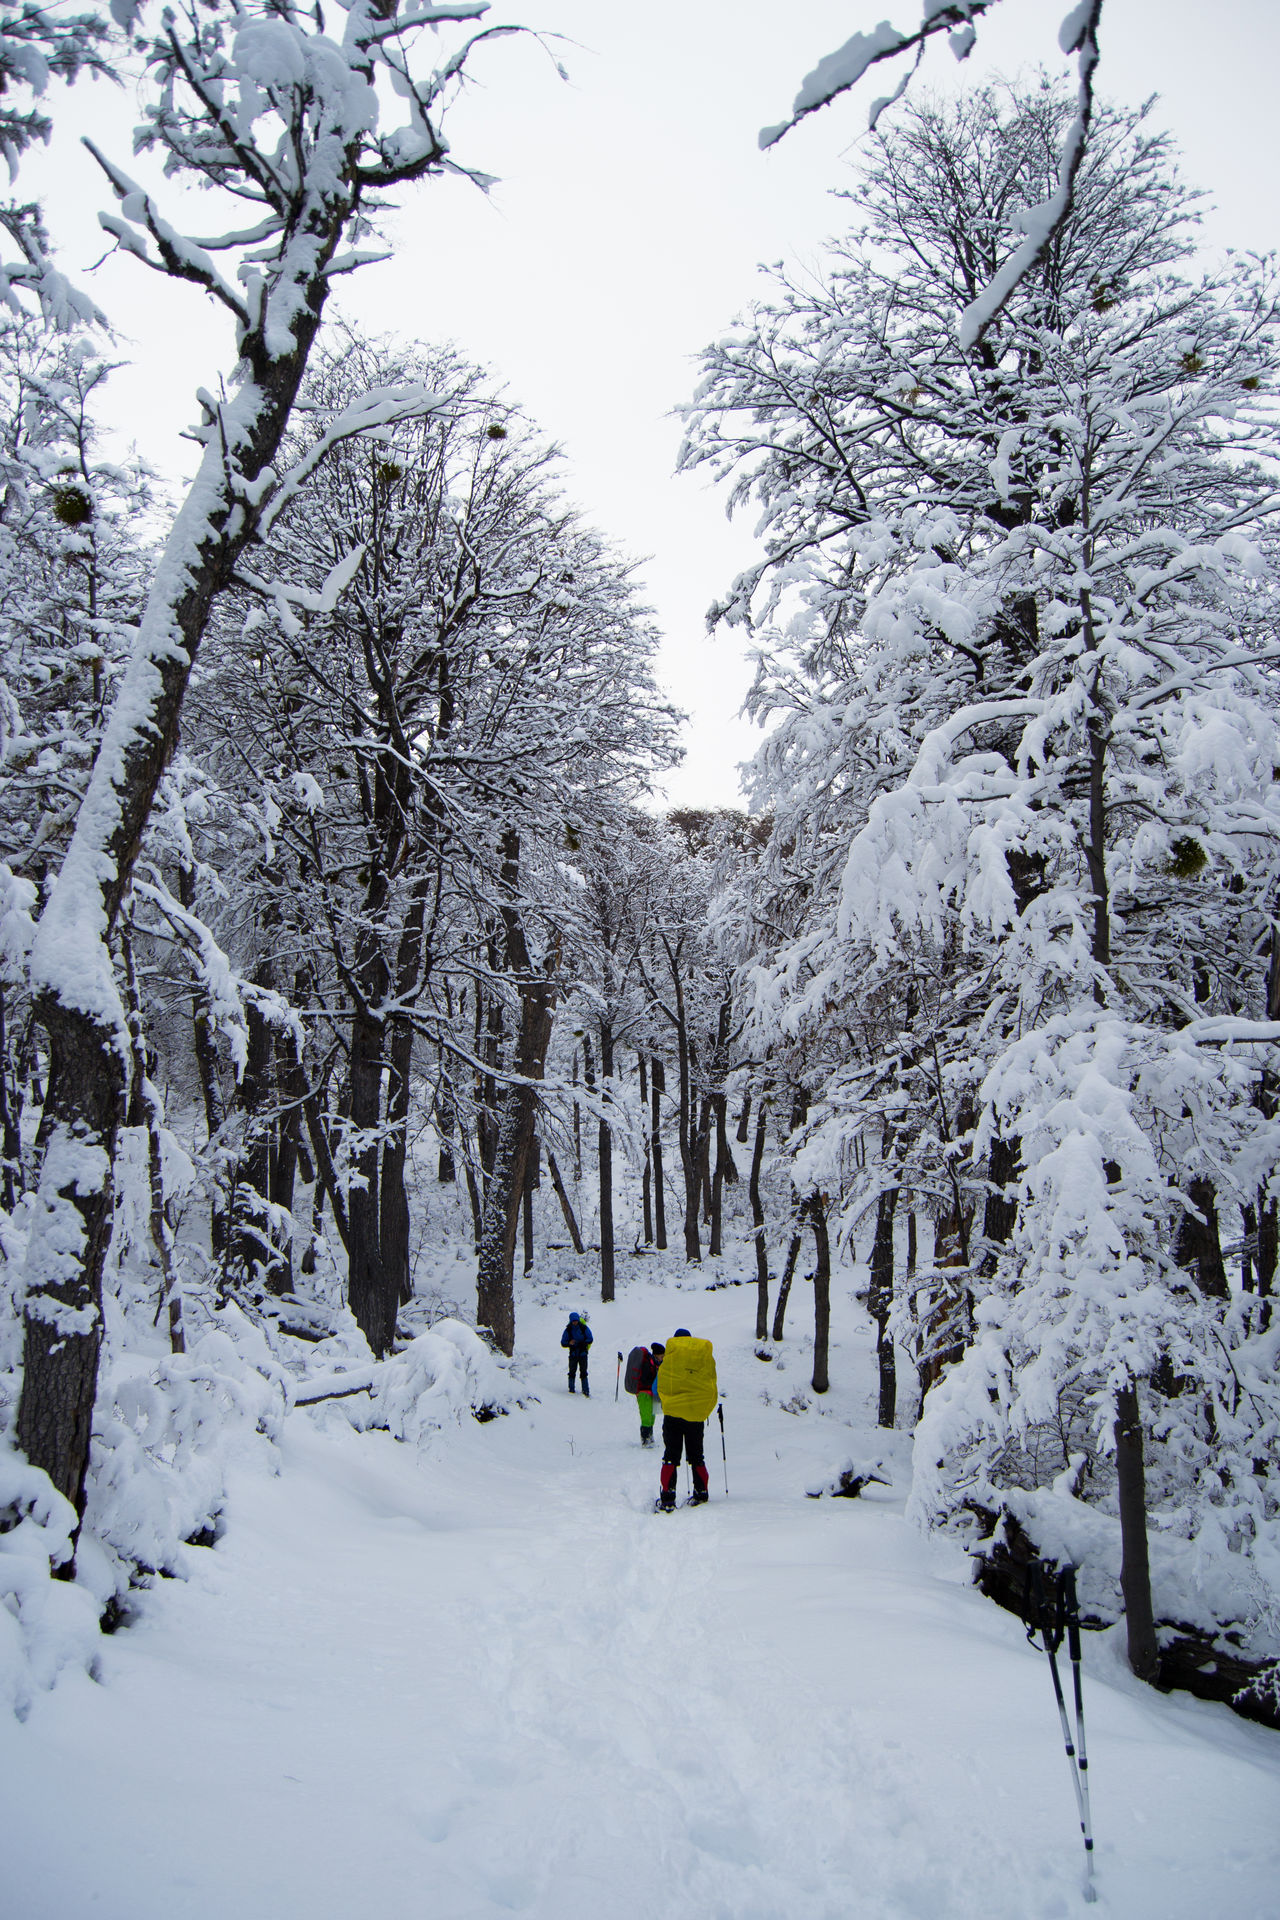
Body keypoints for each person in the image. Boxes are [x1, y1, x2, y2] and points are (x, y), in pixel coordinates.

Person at [655, 1328, 717, 1509]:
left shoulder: (670, 1359)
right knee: (697, 1455)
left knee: (671, 1456)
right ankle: (701, 1493)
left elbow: (661, 1384)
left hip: (673, 1414)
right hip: (695, 1414)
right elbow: (710, 1383)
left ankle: (668, 1498)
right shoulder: (701, 1358)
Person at [625, 1340, 665, 1446]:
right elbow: (645, 1379)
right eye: (661, 1356)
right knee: (646, 1416)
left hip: (652, 1393)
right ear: (656, 1355)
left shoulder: (656, 1364)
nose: (662, 1358)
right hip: (644, 1392)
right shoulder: (648, 1364)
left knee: (652, 1415)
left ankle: (649, 1437)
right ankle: (645, 1439)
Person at [560, 1311, 593, 1395]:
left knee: (583, 1372)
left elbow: (590, 1339)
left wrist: (583, 1343)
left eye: (576, 1320)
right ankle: (571, 1390)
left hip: (582, 1354)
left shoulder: (583, 1328)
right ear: (571, 1321)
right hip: (573, 1354)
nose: (575, 1322)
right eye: (573, 1321)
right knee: (572, 1372)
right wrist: (569, 1343)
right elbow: (563, 1343)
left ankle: (585, 1391)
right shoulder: (568, 1330)